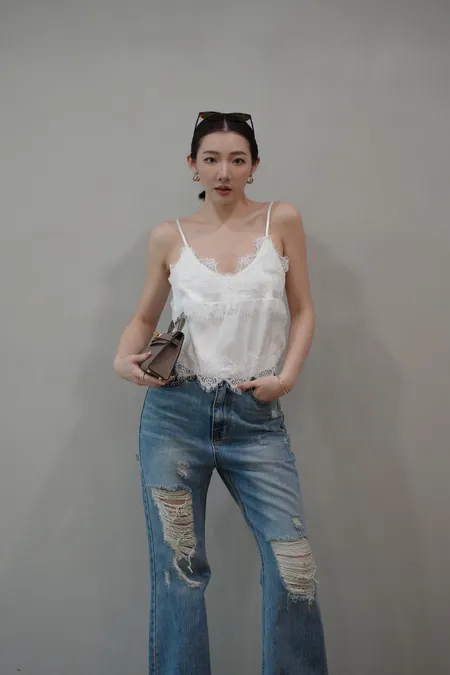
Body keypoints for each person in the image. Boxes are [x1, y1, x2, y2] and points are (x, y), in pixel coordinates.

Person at [113, 111, 328, 675]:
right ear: (193, 165)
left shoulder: (282, 220)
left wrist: (285, 379)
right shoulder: (170, 235)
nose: (224, 171)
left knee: (293, 563)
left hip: (255, 418)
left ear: (254, 166)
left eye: (237, 159)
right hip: (175, 416)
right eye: (211, 159)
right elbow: (144, 317)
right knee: (179, 569)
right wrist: (121, 358)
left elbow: (304, 310)